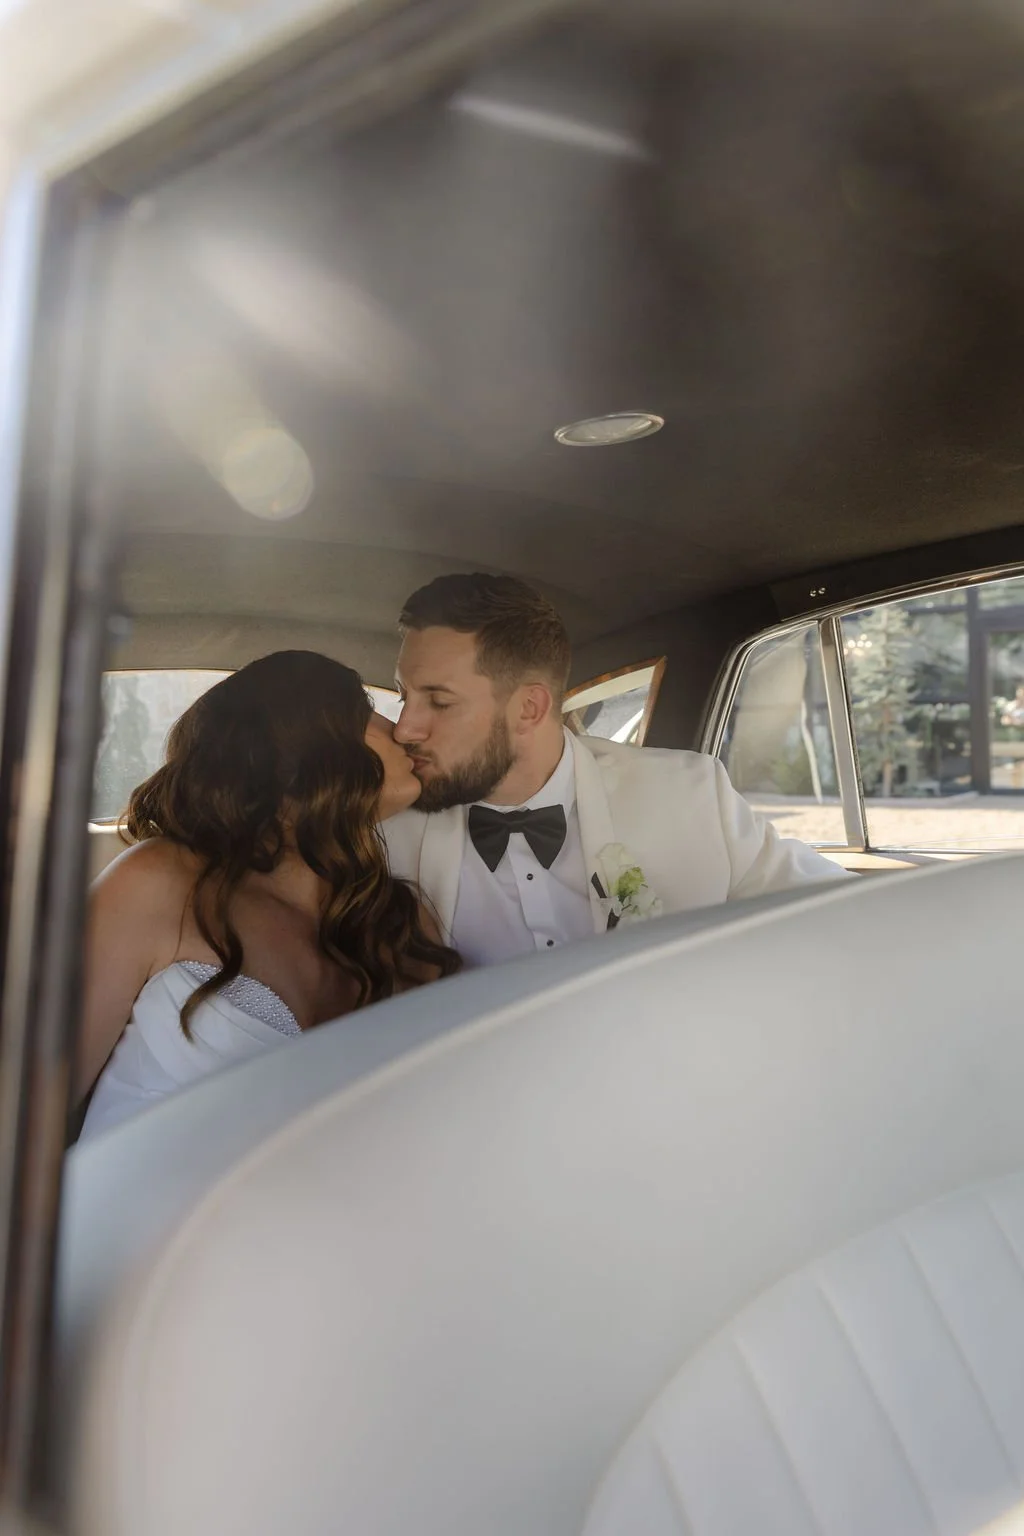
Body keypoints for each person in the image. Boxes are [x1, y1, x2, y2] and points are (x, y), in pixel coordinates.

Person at [77, 651, 459, 1139]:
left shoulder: (402, 924)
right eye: (366, 709)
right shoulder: (161, 882)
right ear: (303, 743)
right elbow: (26, 1102)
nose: (400, 729)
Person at [384, 574, 849, 968]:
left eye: (439, 702)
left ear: (529, 708)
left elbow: (837, 913)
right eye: (404, 697)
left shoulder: (689, 795)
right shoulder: (388, 833)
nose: (404, 728)